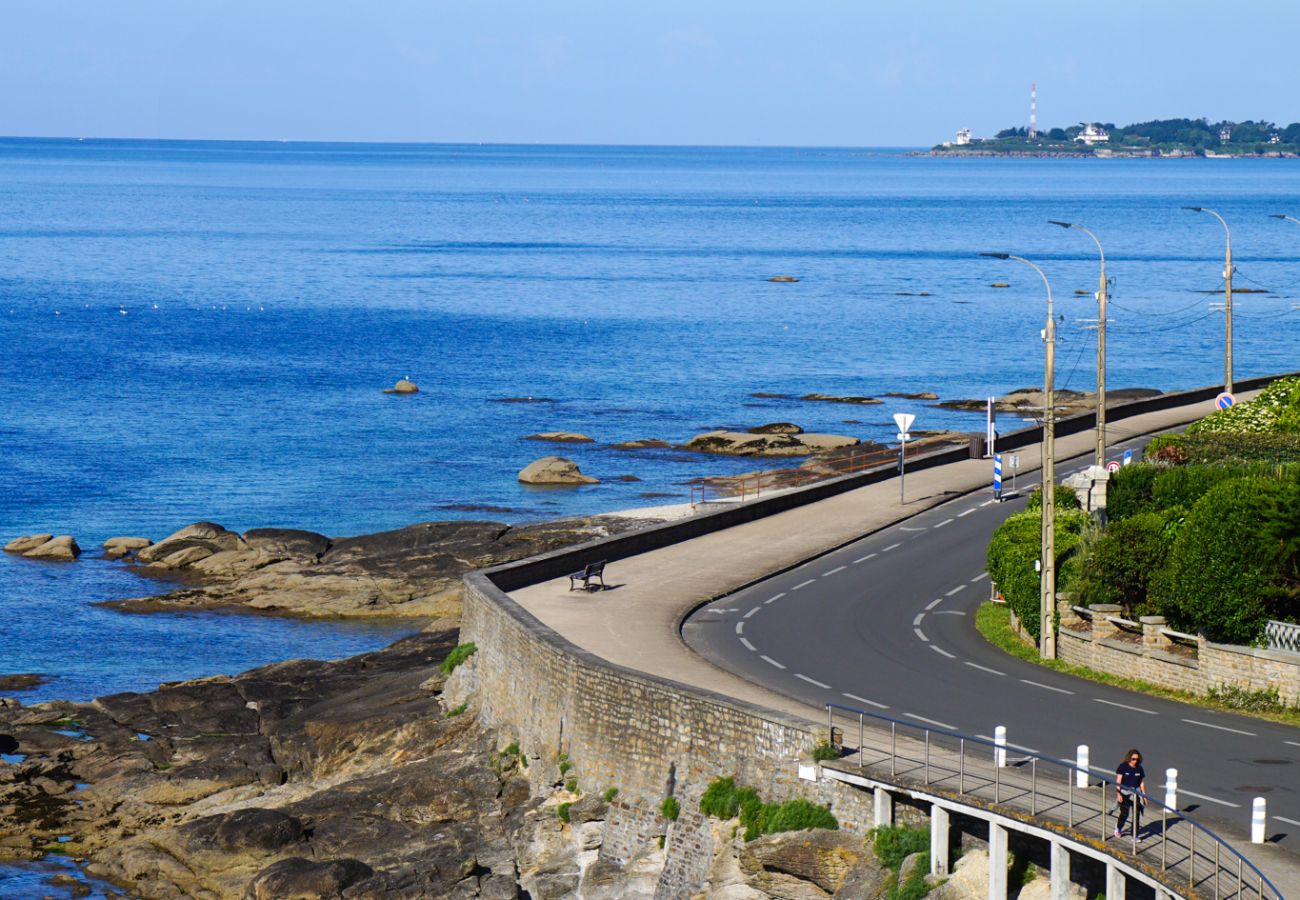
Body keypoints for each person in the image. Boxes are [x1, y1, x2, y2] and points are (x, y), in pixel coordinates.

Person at [1115, 748, 1147, 839]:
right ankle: (1118, 828)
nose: (1135, 761)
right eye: (1133, 759)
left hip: (1136, 794)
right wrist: (1118, 794)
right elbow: (1118, 781)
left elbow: (1141, 783)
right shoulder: (1123, 767)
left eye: (1137, 759)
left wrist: (1144, 796)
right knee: (1125, 813)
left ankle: (1135, 835)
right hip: (1125, 793)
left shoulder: (1139, 769)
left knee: (1136, 816)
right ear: (1129, 758)